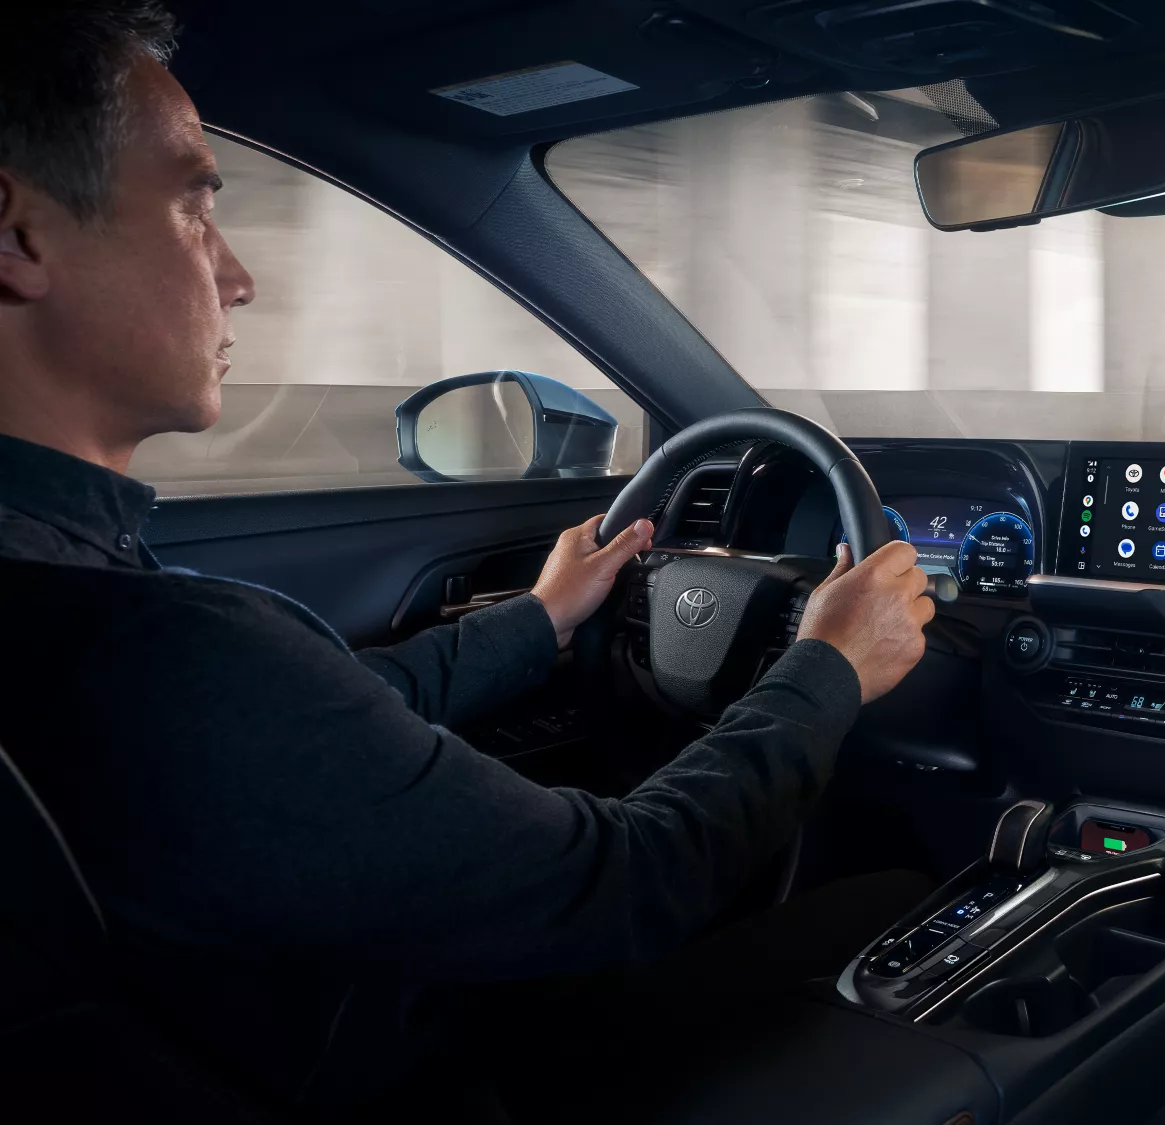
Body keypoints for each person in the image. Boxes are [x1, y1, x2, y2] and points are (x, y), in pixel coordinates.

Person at [0, 1, 936, 1112]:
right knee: (906, 901)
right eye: (194, 206)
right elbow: (626, 881)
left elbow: (324, 719)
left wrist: (540, 619)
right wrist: (825, 664)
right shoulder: (158, 655)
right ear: (18, 237)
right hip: (404, 1069)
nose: (237, 276)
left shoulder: (79, 603)